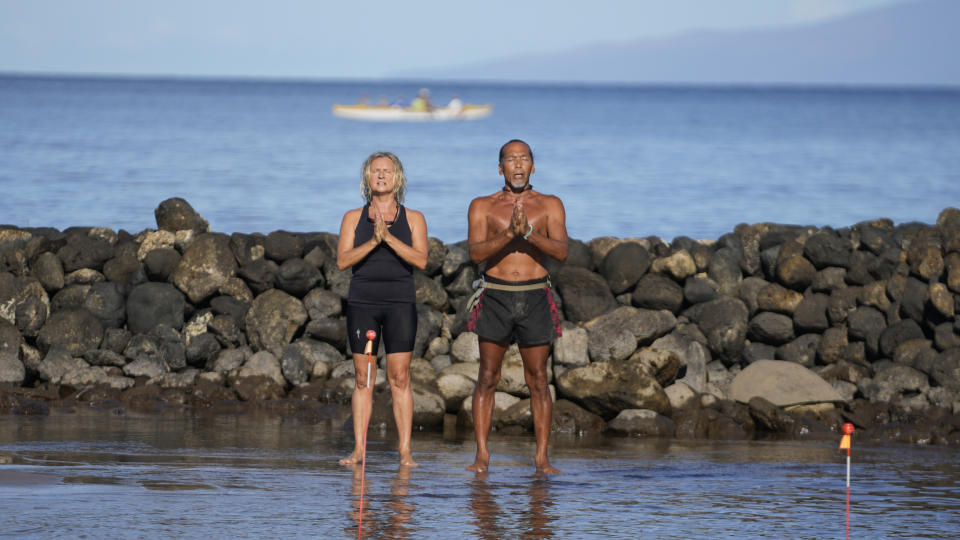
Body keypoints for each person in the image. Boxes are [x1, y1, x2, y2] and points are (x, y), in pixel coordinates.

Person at [465, 139, 568, 474]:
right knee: (487, 376)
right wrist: (510, 233)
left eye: (524, 159)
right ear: (501, 168)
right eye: (511, 160)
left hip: (535, 295)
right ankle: (482, 455)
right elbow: (477, 254)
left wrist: (530, 234)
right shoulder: (482, 205)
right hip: (495, 295)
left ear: (533, 166)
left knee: (538, 379)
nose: (518, 165)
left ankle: (541, 458)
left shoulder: (551, 204)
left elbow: (562, 251)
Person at [337, 151, 428, 468]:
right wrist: (374, 241)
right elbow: (343, 261)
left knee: (400, 377)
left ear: (397, 178)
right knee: (363, 377)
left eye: (387, 171)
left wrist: (386, 237)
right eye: (375, 170)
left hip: (400, 303)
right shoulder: (353, 217)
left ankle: (405, 452)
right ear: (366, 177)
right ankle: (359, 451)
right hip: (363, 302)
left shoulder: (413, 218)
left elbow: (420, 260)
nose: (381, 175)